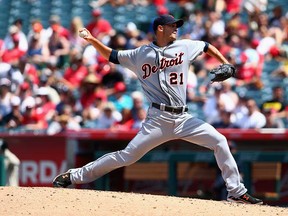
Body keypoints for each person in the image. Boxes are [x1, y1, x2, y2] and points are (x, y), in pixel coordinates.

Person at [53, 14, 263, 204]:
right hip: (158, 119)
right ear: (160, 29)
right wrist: (92, 40)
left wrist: (226, 63)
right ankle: (74, 176)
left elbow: (206, 45)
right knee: (127, 156)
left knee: (220, 141)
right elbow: (112, 55)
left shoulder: (185, 46)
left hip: (184, 118)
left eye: (176, 26)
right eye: (172, 26)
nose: (176, 29)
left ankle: (236, 191)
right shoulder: (140, 53)